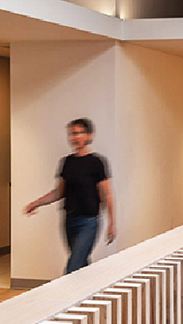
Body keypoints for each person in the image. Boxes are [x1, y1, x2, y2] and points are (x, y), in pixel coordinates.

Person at [21, 117, 117, 274]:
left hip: (89, 222)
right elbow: (59, 193)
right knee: (80, 265)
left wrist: (112, 223)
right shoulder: (66, 162)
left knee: (73, 267)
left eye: (79, 133)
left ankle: (64, 298)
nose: (75, 137)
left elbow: (107, 194)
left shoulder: (97, 162)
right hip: (69, 221)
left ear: (89, 135)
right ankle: (91, 295)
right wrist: (35, 203)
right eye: (72, 134)